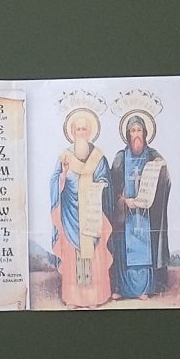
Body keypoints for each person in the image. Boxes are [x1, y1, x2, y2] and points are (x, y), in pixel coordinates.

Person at [104, 106, 171, 299]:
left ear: (145, 133)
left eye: (139, 130)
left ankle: (145, 288)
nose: (136, 135)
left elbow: (166, 181)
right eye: (132, 130)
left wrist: (160, 170)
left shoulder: (153, 156)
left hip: (147, 215)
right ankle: (122, 288)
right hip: (125, 215)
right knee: (123, 245)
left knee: (146, 246)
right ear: (127, 134)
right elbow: (111, 187)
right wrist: (123, 201)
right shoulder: (120, 157)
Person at [50, 106, 113, 308]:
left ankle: (95, 298)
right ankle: (73, 298)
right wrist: (62, 177)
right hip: (70, 213)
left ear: (90, 131)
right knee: (72, 254)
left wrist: (100, 185)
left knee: (94, 253)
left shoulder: (98, 157)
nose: (81, 132)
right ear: (72, 132)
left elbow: (105, 179)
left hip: (92, 211)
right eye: (78, 129)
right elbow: (55, 182)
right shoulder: (65, 157)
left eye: (85, 129)